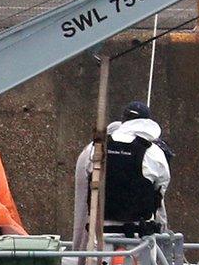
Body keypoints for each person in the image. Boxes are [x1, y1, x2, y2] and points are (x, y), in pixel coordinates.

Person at [72, 101, 171, 253]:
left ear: (123, 121)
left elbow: (84, 195)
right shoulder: (154, 152)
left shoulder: (95, 148)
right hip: (140, 241)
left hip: (101, 239)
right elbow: (159, 198)